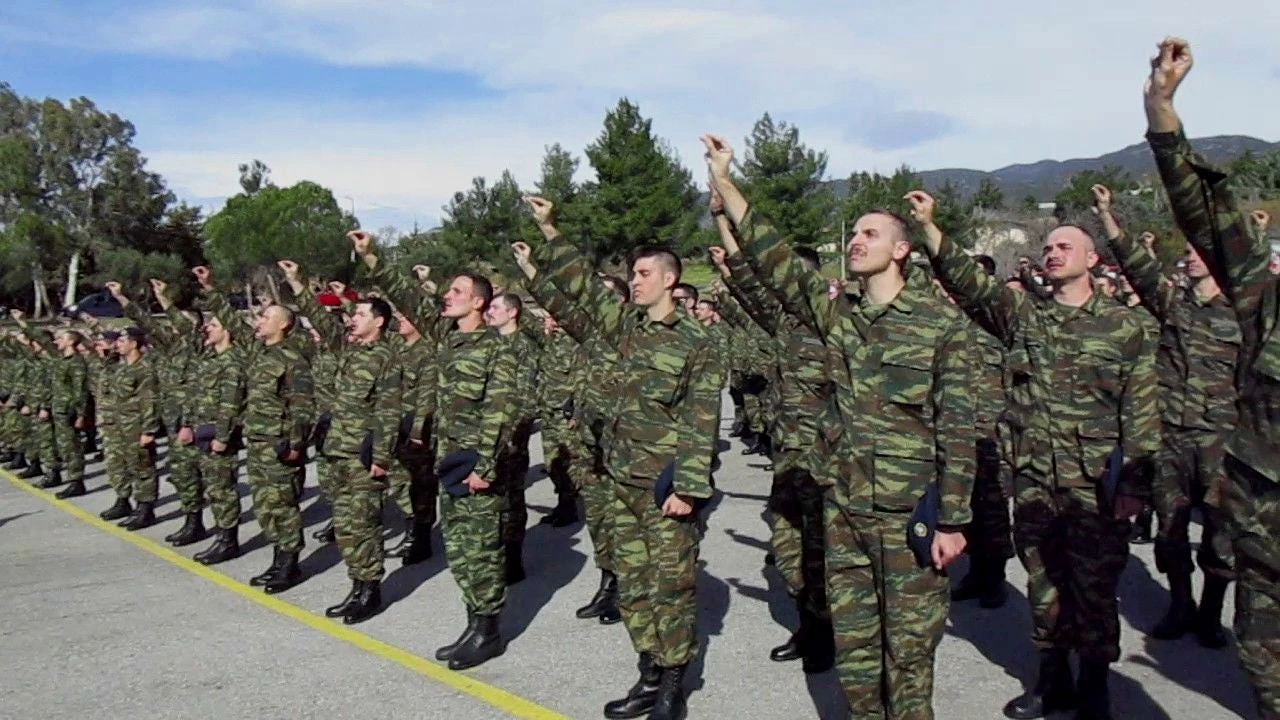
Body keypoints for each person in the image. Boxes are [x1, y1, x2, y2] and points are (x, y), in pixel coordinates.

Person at [707, 135, 975, 719]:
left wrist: (954, 518)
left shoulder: (939, 325)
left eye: (870, 234)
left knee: (907, 656)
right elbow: (774, 258)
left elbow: (958, 427)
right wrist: (727, 184)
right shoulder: (837, 316)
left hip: (911, 515)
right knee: (856, 653)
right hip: (845, 509)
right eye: (852, 234)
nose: (856, 241)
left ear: (903, 249)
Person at [912, 184, 1159, 719]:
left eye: (1064, 246)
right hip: (1033, 483)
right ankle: (1052, 681)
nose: (1052, 252)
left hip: (1095, 486)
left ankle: (1095, 686)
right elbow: (971, 286)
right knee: (1043, 584)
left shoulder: (1126, 326)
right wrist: (931, 228)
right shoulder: (1025, 316)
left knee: (1094, 591)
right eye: (1048, 248)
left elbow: (1141, 410)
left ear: (1092, 260)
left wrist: (1135, 486)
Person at [516, 193, 720, 720]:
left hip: (664, 489)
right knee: (632, 587)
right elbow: (582, 281)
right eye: (633, 273)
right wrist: (550, 229)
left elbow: (702, 420)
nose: (636, 279)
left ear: (671, 280)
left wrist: (688, 488)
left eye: (645, 273)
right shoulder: (624, 326)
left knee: (669, 588)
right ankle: (648, 673)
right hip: (619, 482)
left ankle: (674, 685)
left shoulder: (696, 341)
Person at [1145, 36, 1280, 717]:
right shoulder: (1262, 298)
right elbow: (1204, 211)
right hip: (1267, 542)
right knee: (1264, 673)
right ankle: (1190, 605)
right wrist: (1162, 110)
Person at [1092, 183, 1236, 648]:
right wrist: (1108, 218)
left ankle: (1212, 612)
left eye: (1197, 252)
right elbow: (1137, 267)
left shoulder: (1244, 314)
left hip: (1221, 440)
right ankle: (1180, 604)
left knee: (1219, 532)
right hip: (1170, 437)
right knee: (1171, 531)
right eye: (1188, 252)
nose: (1188, 258)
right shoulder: (1174, 306)